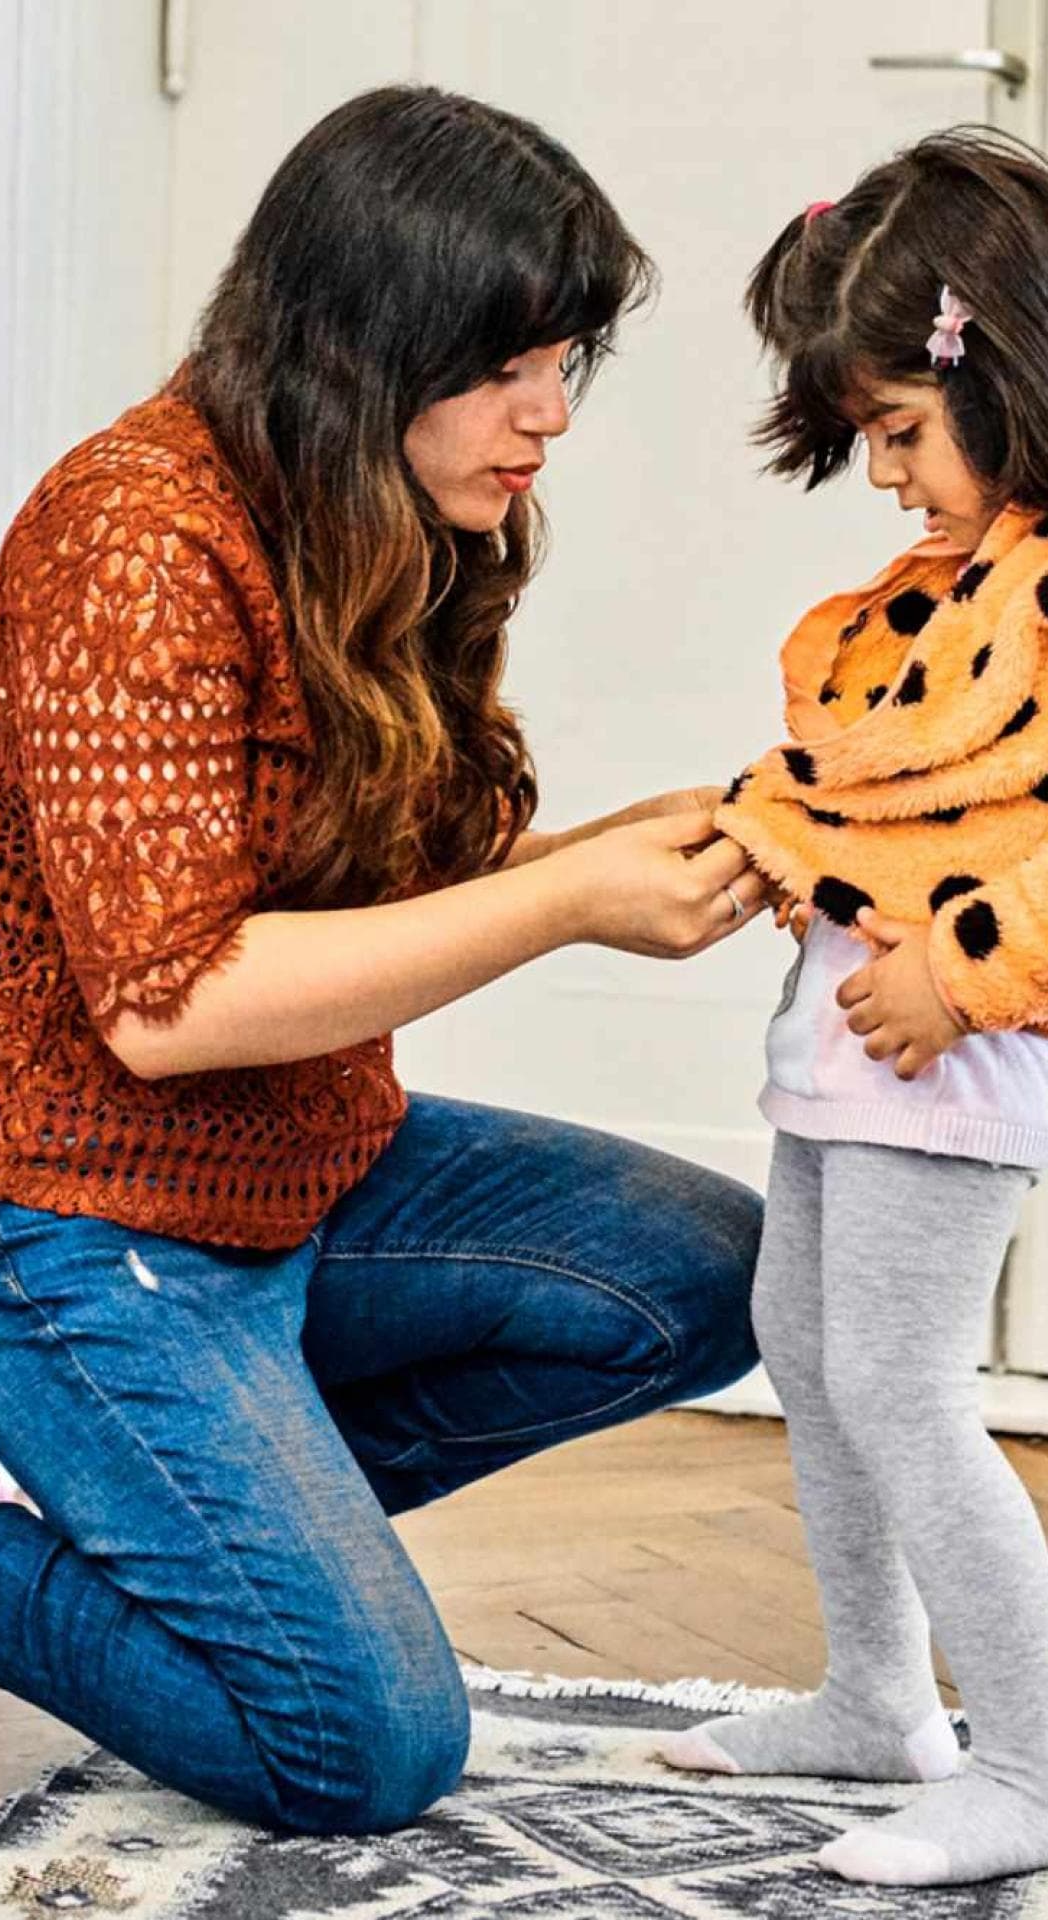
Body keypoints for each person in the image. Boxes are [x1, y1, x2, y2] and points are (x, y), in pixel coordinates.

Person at [0, 85, 763, 1835]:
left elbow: (406, 887)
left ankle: (198, 1541)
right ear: (374, 335)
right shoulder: (133, 539)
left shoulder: (392, 520)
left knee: (716, 1267)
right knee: (361, 1752)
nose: (552, 415)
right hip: (56, 1216)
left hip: (297, 1175)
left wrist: (662, 833)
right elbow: (169, 1008)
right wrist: (573, 905)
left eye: (569, 359)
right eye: (510, 364)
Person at [658, 129, 1048, 1889]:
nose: (887, 478)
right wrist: (754, 838)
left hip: (949, 1060)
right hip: (847, 1053)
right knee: (807, 1352)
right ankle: (877, 1697)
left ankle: (1037, 1761)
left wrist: (957, 970)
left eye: (902, 430)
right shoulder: (930, 596)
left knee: (901, 1379)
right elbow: (862, 778)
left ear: (1007, 364)